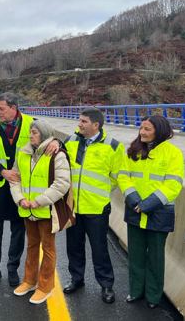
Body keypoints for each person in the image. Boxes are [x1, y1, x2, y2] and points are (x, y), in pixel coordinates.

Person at [0, 92, 58, 288]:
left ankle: (12, 269)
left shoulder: (32, 123)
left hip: (23, 188)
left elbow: (50, 137)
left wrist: (57, 142)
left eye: (1, 109)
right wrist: (1, 172)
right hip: (1, 185)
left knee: (17, 231)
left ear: (14, 108)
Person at [118, 115, 184, 309]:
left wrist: (149, 204)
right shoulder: (133, 150)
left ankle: (153, 296)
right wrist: (133, 199)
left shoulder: (173, 153)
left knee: (155, 257)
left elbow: (173, 184)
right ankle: (136, 291)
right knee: (136, 255)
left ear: (159, 130)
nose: (142, 132)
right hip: (135, 209)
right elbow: (123, 176)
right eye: (141, 128)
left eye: (147, 129)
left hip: (159, 212)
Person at [62, 108, 124, 304]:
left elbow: (117, 177)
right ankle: (76, 279)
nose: (79, 124)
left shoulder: (112, 146)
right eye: (79, 120)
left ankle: (106, 285)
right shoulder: (71, 140)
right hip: (73, 206)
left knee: (99, 249)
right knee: (74, 246)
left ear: (96, 125)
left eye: (83, 121)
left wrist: (101, 192)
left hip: (96, 207)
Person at [10, 120, 71, 304]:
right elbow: (15, 179)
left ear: (43, 134)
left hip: (46, 210)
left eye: (34, 132)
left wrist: (38, 201)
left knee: (48, 248)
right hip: (27, 209)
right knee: (31, 246)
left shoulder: (56, 154)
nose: (31, 135)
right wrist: (20, 199)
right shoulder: (23, 153)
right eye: (30, 132)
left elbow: (61, 184)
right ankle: (29, 281)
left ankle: (45, 286)